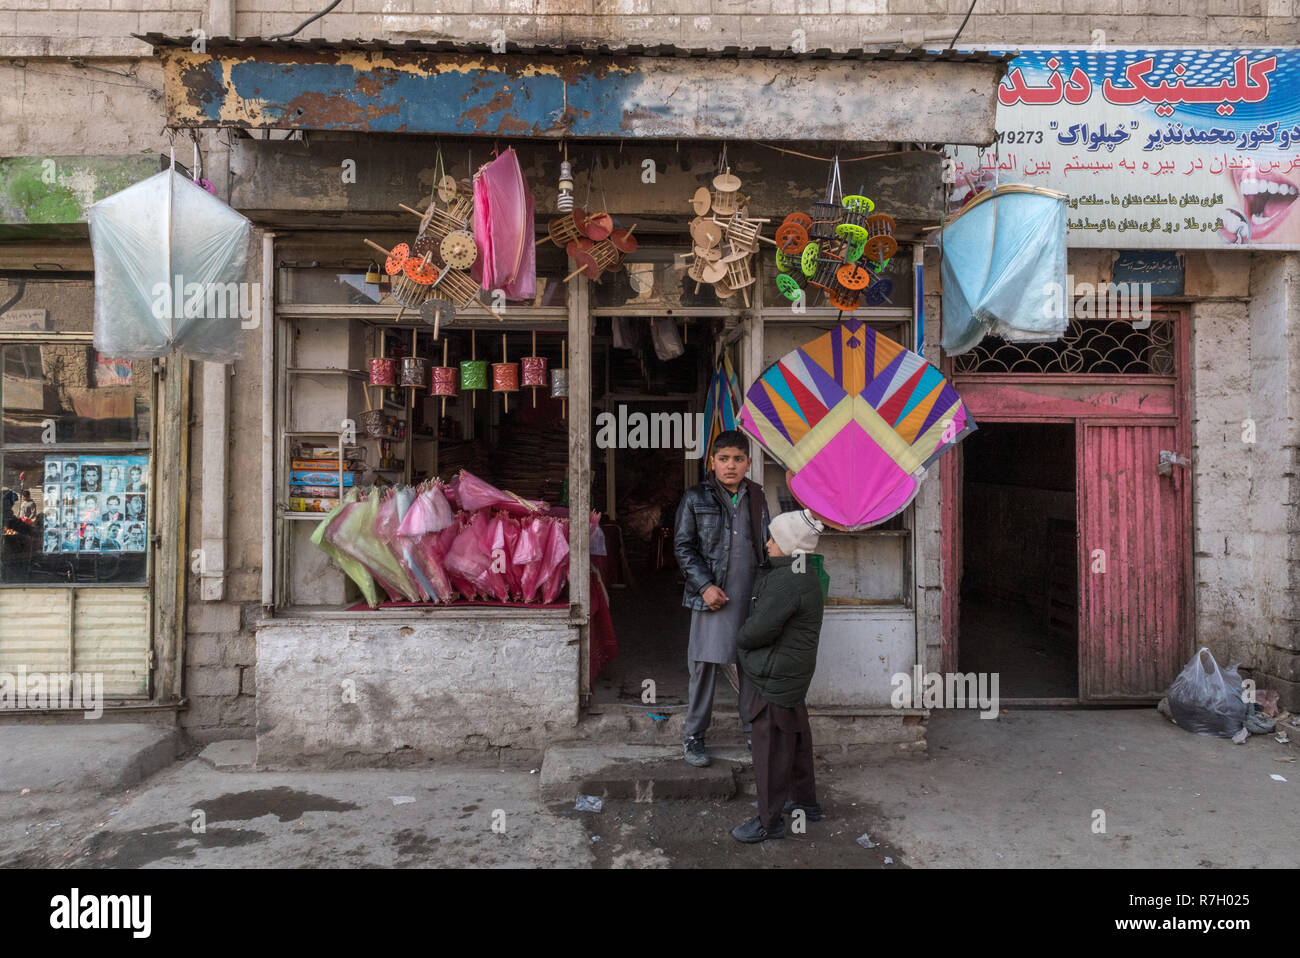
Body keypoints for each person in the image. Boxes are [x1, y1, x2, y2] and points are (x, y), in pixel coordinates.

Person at [672, 429, 770, 768]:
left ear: (748, 463)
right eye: (724, 459)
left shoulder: (757, 496)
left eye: (738, 459)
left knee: (750, 666)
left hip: (750, 594)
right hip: (713, 595)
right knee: (704, 666)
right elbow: (683, 547)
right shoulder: (695, 497)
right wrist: (704, 587)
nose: (731, 465)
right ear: (711, 462)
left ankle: (752, 730)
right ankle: (694, 735)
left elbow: (766, 545)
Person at [731, 509, 826, 844]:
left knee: (769, 748)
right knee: (796, 736)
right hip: (793, 674)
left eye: (774, 539)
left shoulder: (786, 581)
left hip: (774, 674)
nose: (768, 544)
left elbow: (757, 631)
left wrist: (740, 639)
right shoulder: (803, 572)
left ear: (789, 545)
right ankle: (805, 802)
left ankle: (769, 822)